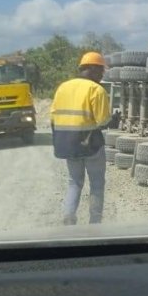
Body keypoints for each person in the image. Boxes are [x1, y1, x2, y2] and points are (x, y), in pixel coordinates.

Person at [51, 52, 111, 225]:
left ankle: (69, 216)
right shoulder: (96, 90)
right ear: (91, 69)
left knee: (74, 182)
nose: (102, 75)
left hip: (67, 144)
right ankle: (95, 222)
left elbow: (53, 117)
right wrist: (113, 119)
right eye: (100, 70)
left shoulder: (63, 87)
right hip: (91, 144)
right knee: (97, 183)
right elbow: (102, 120)